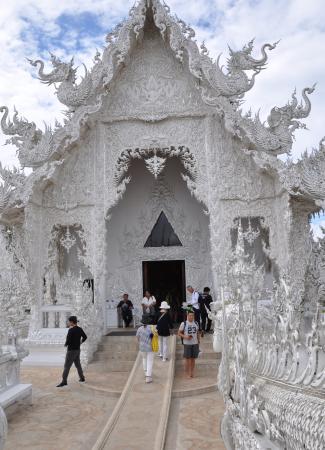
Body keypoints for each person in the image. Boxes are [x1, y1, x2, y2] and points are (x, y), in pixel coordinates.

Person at [56, 316, 87, 387]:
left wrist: (65, 344)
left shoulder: (71, 330)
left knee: (67, 366)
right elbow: (85, 337)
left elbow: (68, 341)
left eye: (69, 321)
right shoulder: (80, 329)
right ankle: (82, 378)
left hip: (71, 351)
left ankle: (64, 381)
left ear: (72, 322)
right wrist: (80, 342)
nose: (68, 323)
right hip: (77, 350)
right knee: (78, 365)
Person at [178, 309, 200, 378]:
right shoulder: (183, 323)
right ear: (187, 316)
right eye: (190, 316)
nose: (191, 317)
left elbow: (197, 332)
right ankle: (187, 373)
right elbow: (179, 333)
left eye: (192, 316)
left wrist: (198, 341)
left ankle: (191, 372)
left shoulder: (196, 323)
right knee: (187, 359)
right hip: (187, 344)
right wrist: (185, 336)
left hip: (195, 343)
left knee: (193, 359)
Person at [136, 315, 157, 383]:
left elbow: (137, 338)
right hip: (150, 347)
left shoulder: (139, 329)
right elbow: (156, 335)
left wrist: (141, 342)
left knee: (144, 359)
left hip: (142, 347)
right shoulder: (152, 328)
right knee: (150, 361)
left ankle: (146, 373)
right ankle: (148, 377)